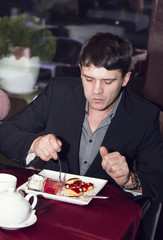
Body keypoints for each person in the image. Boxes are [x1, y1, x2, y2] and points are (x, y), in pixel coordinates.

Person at [0, 32, 163, 202]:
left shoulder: (144, 114)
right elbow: (5, 133)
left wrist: (130, 180)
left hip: (104, 211)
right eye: (89, 79)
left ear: (125, 79)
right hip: (50, 205)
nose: (96, 90)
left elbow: (158, 178)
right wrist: (35, 144)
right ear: (80, 71)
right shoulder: (58, 93)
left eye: (108, 82)